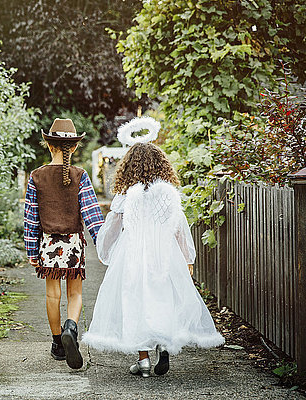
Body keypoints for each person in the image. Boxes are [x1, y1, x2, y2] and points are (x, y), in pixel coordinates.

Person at [82, 142, 224, 377]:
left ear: (129, 167)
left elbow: (113, 226)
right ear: (161, 165)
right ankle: (163, 346)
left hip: (133, 255)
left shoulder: (126, 195)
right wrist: (187, 257)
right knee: (162, 298)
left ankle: (143, 360)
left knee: (136, 302)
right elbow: (179, 228)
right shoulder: (168, 193)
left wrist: (105, 249)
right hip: (165, 253)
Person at [24, 118, 104, 369]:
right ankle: (71, 327)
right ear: (75, 147)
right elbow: (92, 214)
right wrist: (103, 244)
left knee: (52, 294)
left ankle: (58, 342)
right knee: (75, 293)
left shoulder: (37, 176)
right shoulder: (80, 176)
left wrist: (31, 249)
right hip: (73, 244)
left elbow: (31, 217)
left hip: (49, 244)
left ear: (50, 146)